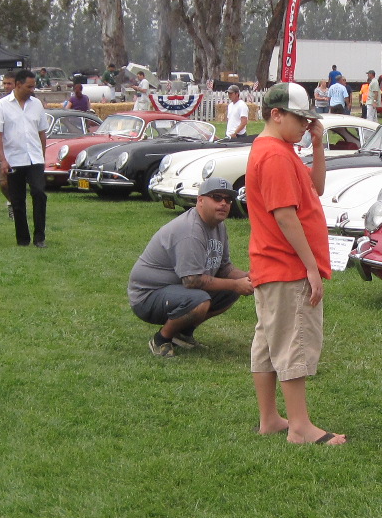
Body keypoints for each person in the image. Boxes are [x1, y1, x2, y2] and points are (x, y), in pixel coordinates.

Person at [245, 81, 344, 445]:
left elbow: (315, 189)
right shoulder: (274, 155)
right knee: (293, 342)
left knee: (269, 342)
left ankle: (270, 418)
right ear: (277, 115)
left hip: (272, 265)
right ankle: (300, 428)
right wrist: (311, 267)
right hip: (285, 267)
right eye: (301, 119)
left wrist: (317, 146)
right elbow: (286, 216)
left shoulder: (280, 150)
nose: (306, 125)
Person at [130, 176, 255, 356]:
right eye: (217, 198)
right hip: (147, 295)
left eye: (228, 199)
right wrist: (236, 284)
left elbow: (224, 268)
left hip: (176, 289)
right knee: (199, 300)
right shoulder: (190, 231)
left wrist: (248, 277)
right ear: (200, 200)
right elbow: (192, 281)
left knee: (228, 291)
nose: (224, 204)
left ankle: (181, 334)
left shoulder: (219, 226)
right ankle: (161, 339)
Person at [0, 68, 52, 248]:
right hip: (14, 159)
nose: (33, 90)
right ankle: (23, 239)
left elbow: (42, 133)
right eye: (29, 86)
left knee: (39, 194)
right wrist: (3, 159)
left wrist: (41, 155)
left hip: (34, 159)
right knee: (17, 200)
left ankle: (39, 237)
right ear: (18, 85)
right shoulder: (2, 105)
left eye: (34, 86)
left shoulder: (37, 105)